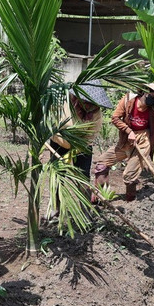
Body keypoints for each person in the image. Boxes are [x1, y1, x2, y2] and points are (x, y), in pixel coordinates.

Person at [92, 83, 154, 201]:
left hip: (143, 142)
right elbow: (115, 118)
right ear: (145, 92)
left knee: (129, 175)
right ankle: (100, 197)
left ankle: (130, 199)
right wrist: (129, 131)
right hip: (126, 140)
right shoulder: (128, 100)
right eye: (153, 96)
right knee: (101, 164)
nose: (153, 100)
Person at [48, 79, 111, 221]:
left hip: (82, 146)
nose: (89, 107)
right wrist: (64, 147)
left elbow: (91, 135)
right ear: (78, 98)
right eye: (86, 103)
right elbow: (53, 126)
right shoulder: (63, 104)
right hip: (58, 144)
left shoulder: (95, 113)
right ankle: (55, 210)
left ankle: (85, 212)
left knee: (83, 179)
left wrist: (75, 149)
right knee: (58, 177)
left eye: (92, 105)